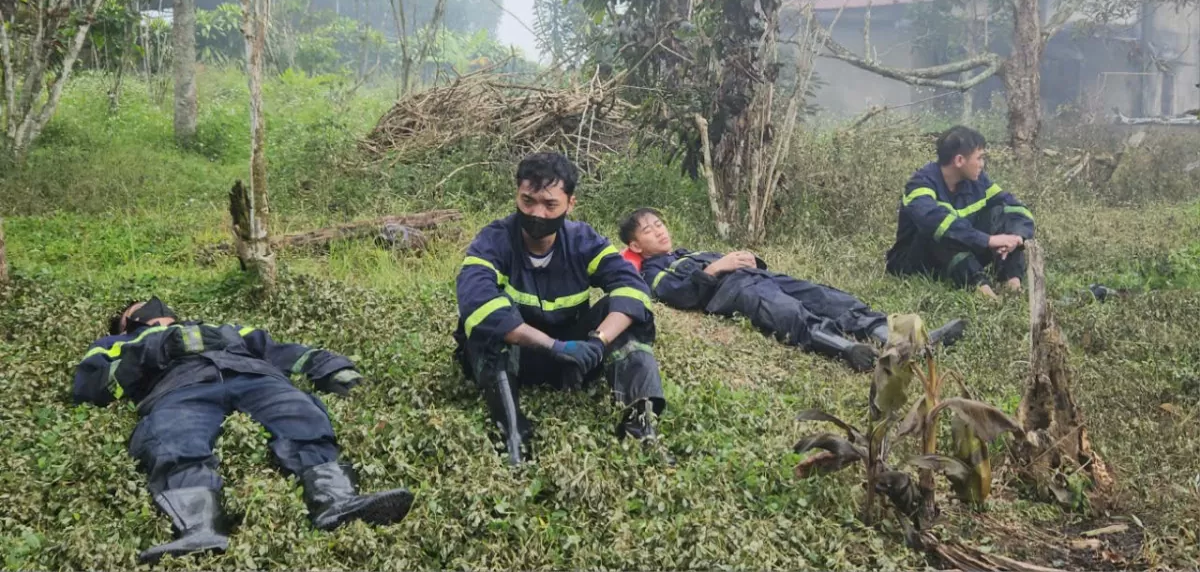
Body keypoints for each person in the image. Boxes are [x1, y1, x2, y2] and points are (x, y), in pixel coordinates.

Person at [73, 298, 414, 564]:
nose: (151, 308)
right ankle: (199, 528)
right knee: (173, 439)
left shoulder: (222, 329)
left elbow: (278, 351)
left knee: (300, 414)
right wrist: (153, 351)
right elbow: (91, 386)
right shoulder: (116, 343)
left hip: (255, 378)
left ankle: (336, 501)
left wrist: (331, 367)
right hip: (178, 390)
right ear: (124, 322)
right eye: (138, 310)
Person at [454, 153, 665, 465]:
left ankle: (640, 424)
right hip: (517, 357)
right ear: (517, 195)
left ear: (570, 203)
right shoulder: (494, 240)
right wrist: (554, 346)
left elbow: (631, 287)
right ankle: (513, 433)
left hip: (573, 361)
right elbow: (477, 299)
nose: (537, 213)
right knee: (485, 320)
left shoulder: (584, 241)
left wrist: (598, 341)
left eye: (550, 204)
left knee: (626, 312)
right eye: (528, 201)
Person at [618, 209, 966, 372]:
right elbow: (680, 296)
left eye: (660, 224)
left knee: (827, 297)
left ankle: (912, 339)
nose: (660, 232)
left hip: (761, 278)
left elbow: (738, 263)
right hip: (733, 293)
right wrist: (714, 269)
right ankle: (849, 350)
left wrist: (749, 258)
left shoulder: (688, 252)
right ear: (637, 244)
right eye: (649, 231)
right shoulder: (652, 272)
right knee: (786, 313)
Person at [886, 125, 1035, 297]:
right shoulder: (920, 184)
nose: (982, 164)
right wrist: (988, 240)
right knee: (943, 230)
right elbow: (934, 222)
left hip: (963, 250)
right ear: (959, 160)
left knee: (1001, 214)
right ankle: (981, 288)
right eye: (979, 158)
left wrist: (1016, 237)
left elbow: (1016, 208)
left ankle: (1011, 282)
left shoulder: (978, 181)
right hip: (917, 261)